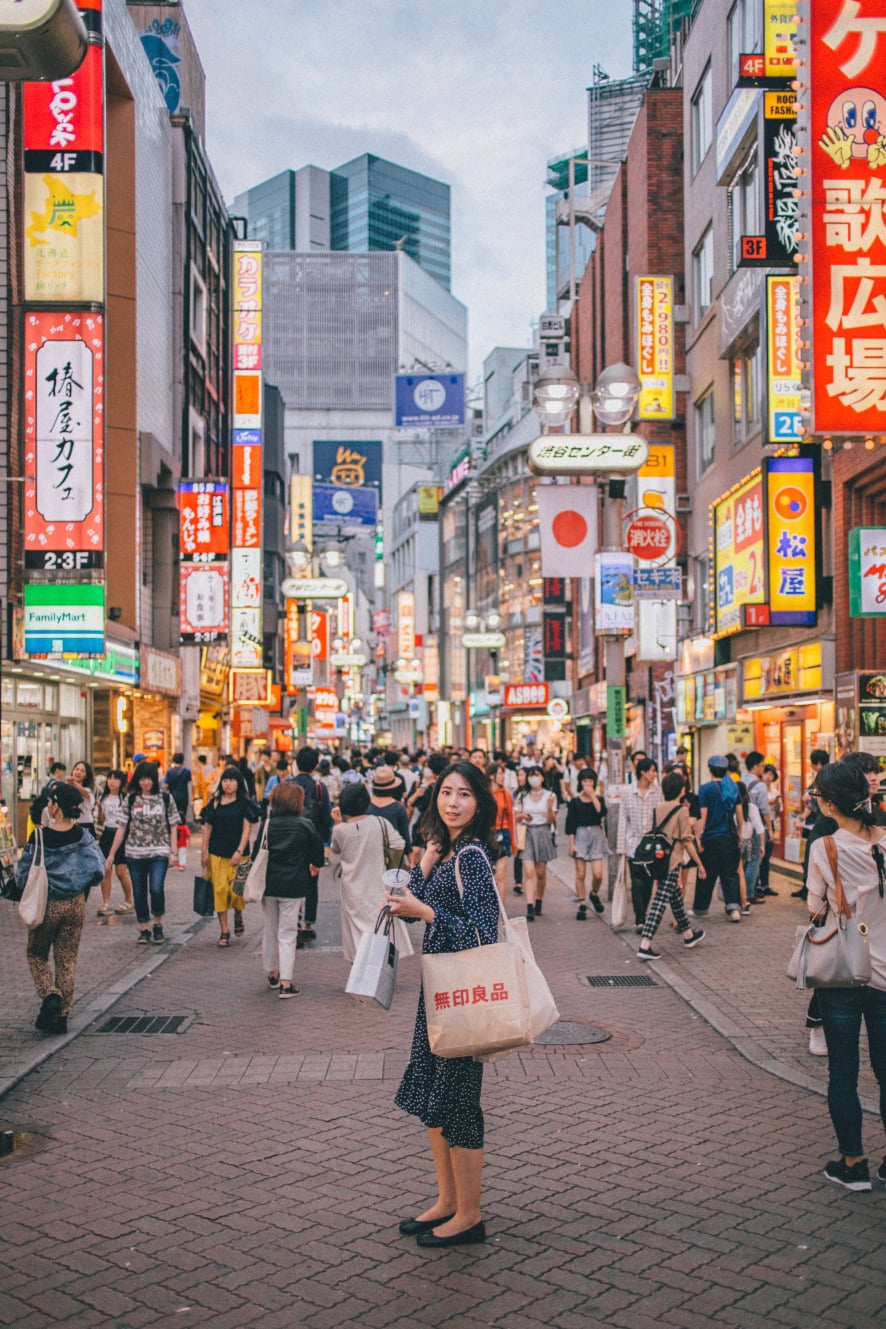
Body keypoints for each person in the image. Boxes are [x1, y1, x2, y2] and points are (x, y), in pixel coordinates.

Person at [385, 760, 499, 1248]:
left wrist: (427, 910)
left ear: (480, 804)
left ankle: (470, 1215)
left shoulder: (472, 857)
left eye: (464, 794)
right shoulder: (448, 851)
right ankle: (447, 1201)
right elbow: (400, 901)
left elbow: (481, 933)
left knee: (458, 1103)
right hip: (438, 993)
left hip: (462, 995)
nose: (453, 802)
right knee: (435, 1099)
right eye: (446, 793)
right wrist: (427, 859)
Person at [806, 761, 886, 1192]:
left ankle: (853, 1162)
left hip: (843, 973)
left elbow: (814, 909)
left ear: (833, 803)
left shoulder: (826, 847)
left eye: (819, 796)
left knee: (843, 1069)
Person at [16, 782, 107, 1035]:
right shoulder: (83, 836)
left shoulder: (40, 836)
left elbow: (24, 875)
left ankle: (50, 995)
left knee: (36, 954)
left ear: (55, 806)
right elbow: (99, 869)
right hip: (76, 904)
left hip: (48, 904)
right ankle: (62, 1016)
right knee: (67, 960)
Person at [329, 780, 413, 964]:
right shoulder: (379, 823)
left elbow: (335, 850)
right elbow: (399, 843)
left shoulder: (339, 830)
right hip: (377, 881)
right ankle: (379, 964)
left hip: (351, 885)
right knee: (379, 920)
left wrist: (339, 822)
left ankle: (361, 965)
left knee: (355, 927)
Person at [260, 781, 325, 997]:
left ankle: (272, 973)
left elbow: (255, 855)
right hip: (294, 884)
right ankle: (286, 983)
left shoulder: (267, 824)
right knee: (287, 932)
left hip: (268, 884)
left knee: (269, 929)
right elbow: (317, 854)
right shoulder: (304, 824)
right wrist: (314, 866)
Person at [637, 771, 706, 960]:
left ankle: (688, 935)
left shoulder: (658, 808)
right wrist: (699, 863)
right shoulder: (682, 810)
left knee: (674, 898)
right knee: (660, 902)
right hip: (673, 861)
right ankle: (645, 944)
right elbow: (686, 840)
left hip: (658, 859)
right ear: (680, 789)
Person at [108, 762, 179, 946]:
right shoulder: (131, 799)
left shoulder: (165, 798)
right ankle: (143, 928)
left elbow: (173, 826)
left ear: (154, 779)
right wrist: (111, 854)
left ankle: (157, 923)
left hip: (159, 852)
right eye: (141, 779)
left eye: (148, 778)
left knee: (156, 888)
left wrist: (173, 852)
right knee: (139, 892)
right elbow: (121, 828)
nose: (145, 782)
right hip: (134, 853)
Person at [200, 766, 260, 947]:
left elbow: (246, 829)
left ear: (238, 783)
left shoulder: (245, 804)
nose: (228, 784)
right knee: (219, 892)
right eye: (225, 780)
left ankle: (238, 914)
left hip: (240, 856)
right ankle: (224, 931)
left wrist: (239, 851)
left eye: (232, 780)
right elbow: (207, 828)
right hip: (217, 854)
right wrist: (204, 852)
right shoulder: (215, 803)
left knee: (237, 893)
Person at [290, 746, 335, 941]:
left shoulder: (287, 786)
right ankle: (308, 924)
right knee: (311, 883)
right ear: (315, 766)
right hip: (313, 841)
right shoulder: (319, 788)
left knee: (291, 881)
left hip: (290, 841)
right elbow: (326, 819)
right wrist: (325, 843)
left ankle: (294, 922)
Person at [694, 755, 742, 922]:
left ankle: (700, 908)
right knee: (730, 874)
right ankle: (733, 908)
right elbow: (740, 814)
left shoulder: (706, 789)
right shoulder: (733, 788)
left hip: (711, 838)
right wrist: (740, 833)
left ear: (710, 769)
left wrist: (697, 836)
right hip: (729, 837)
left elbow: (703, 815)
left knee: (706, 873)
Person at [617, 757, 663, 931]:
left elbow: (660, 818)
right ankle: (640, 918)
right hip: (634, 843)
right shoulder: (628, 792)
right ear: (643, 772)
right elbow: (623, 820)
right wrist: (621, 848)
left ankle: (643, 913)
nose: (654, 774)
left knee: (649, 881)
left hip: (651, 844)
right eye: (652, 770)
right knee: (636, 882)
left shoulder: (657, 792)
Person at [565, 768, 609, 920]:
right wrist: (572, 844)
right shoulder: (575, 802)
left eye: (590, 781)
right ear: (580, 783)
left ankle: (594, 893)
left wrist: (594, 797)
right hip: (580, 835)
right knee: (580, 873)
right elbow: (570, 824)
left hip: (596, 834)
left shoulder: (599, 799)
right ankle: (582, 904)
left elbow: (601, 813)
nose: (588, 784)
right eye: (585, 781)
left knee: (598, 874)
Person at [516, 765, 557, 922]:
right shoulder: (522, 796)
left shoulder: (550, 795)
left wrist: (549, 807)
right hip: (527, 832)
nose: (534, 778)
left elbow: (552, 821)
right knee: (529, 870)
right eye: (531, 775)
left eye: (537, 775)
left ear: (542, 777)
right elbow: (516, 816)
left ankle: (539, 899)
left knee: (540, 872)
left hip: (543, 832)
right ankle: (530, 905)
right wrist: (522, 816)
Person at [95, 770, 133, 916]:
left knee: (121, 871)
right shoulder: (103, 798)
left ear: (121, 782)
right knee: (106, 869)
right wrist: (99, 809)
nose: (112, 781)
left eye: (115, 779)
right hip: (107, 833)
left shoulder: (126, 798)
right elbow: (101, 821)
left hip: (122, 835)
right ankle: (106, 903)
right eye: (109, 778)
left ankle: (128, 900)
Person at [745, 751, 774, 901]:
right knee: (755, 859)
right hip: (756, 825)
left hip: (742, 825)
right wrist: (770, 829)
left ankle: (742, 891)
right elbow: (764, 810)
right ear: (755, 767)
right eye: (762, 766)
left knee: (744, 859)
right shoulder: (760, 786)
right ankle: (750, 893)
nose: (763, 768)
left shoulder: (741, 781)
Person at [368, 765, 412, 854]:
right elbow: (404, 836)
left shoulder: (366, 805)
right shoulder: (398, 808)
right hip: (393, 855)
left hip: (369, 853)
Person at [488, 762, 516, 903]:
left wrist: (513, 843)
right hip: (486, 835)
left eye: (503, 773)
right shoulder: (484, 794)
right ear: (492, 776)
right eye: (500, 773)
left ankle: (501, 912)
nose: (502, 776)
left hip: (502, 834)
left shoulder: (506, 794)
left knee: (501, 876)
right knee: (486, 876)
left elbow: (511, 818)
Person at [757, 764, 781, 896]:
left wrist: (776, 803)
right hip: (760, 823)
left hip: (771, 823)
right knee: (759, 855)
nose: (768, 777)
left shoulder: (775, 792)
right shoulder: (759, 789)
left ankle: (765, 885)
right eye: (767, 773)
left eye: (771, 774)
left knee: (766, 857)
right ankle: (756, 885)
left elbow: (778, 813)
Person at [65, 761, 96, 836]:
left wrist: (73, 783)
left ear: (86, 776)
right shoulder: (67, 788)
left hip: (85, 826)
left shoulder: (88, 790)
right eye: (77, 769)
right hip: (70, 826)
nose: (78, 772)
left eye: (82, 771)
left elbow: (85, 793)